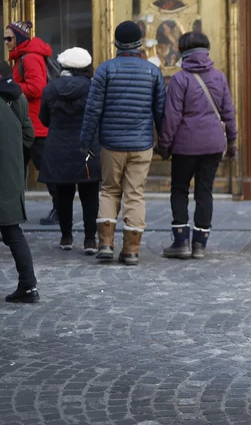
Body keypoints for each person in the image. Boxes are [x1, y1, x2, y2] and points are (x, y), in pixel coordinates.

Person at [80, 21, 166, 266]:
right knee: (135, 194)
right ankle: (131, 250)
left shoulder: (105, 70)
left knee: (109, 190)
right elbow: (161, 112)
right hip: (142, 144)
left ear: (116, 43)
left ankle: (105, 244)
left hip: (111, 143)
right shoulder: (153, 72)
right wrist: (164, 143)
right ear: (140, 43)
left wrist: (85, 141)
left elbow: (92, 110)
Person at [157, 32, 237, 259]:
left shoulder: (180, 79)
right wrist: (231, 143)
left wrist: (164, 146)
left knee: (180, 189)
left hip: (185, 146)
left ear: (182, 52)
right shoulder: (219, 77)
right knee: (205, 192)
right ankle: (200, 245)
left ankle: (181, 242)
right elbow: (228, 114)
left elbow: (171, 118)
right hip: (213, 144)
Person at [37, 47, 99, 254]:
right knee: (89, 194)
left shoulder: (51, 88)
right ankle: (90, 239)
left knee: (63, 193)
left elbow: (43, 118)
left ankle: (66, 237)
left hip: (58, 145)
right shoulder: (93, 88)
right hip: (87, 147)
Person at [5, 21, 56, 226]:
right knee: (18, 168)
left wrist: (11, 87)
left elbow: (36, 88)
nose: (6, 42)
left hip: (35, 124)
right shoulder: (23, 57)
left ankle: (60, 209)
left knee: (44, 169)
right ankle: (13, 210)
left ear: (20, 38)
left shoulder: (30, 57)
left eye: (9, 38)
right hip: (27, 122)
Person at [0, 62, 39, 303]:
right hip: (10, 173)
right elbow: (29, 136)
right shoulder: (17, 97)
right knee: (13, 232)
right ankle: (28, 286)